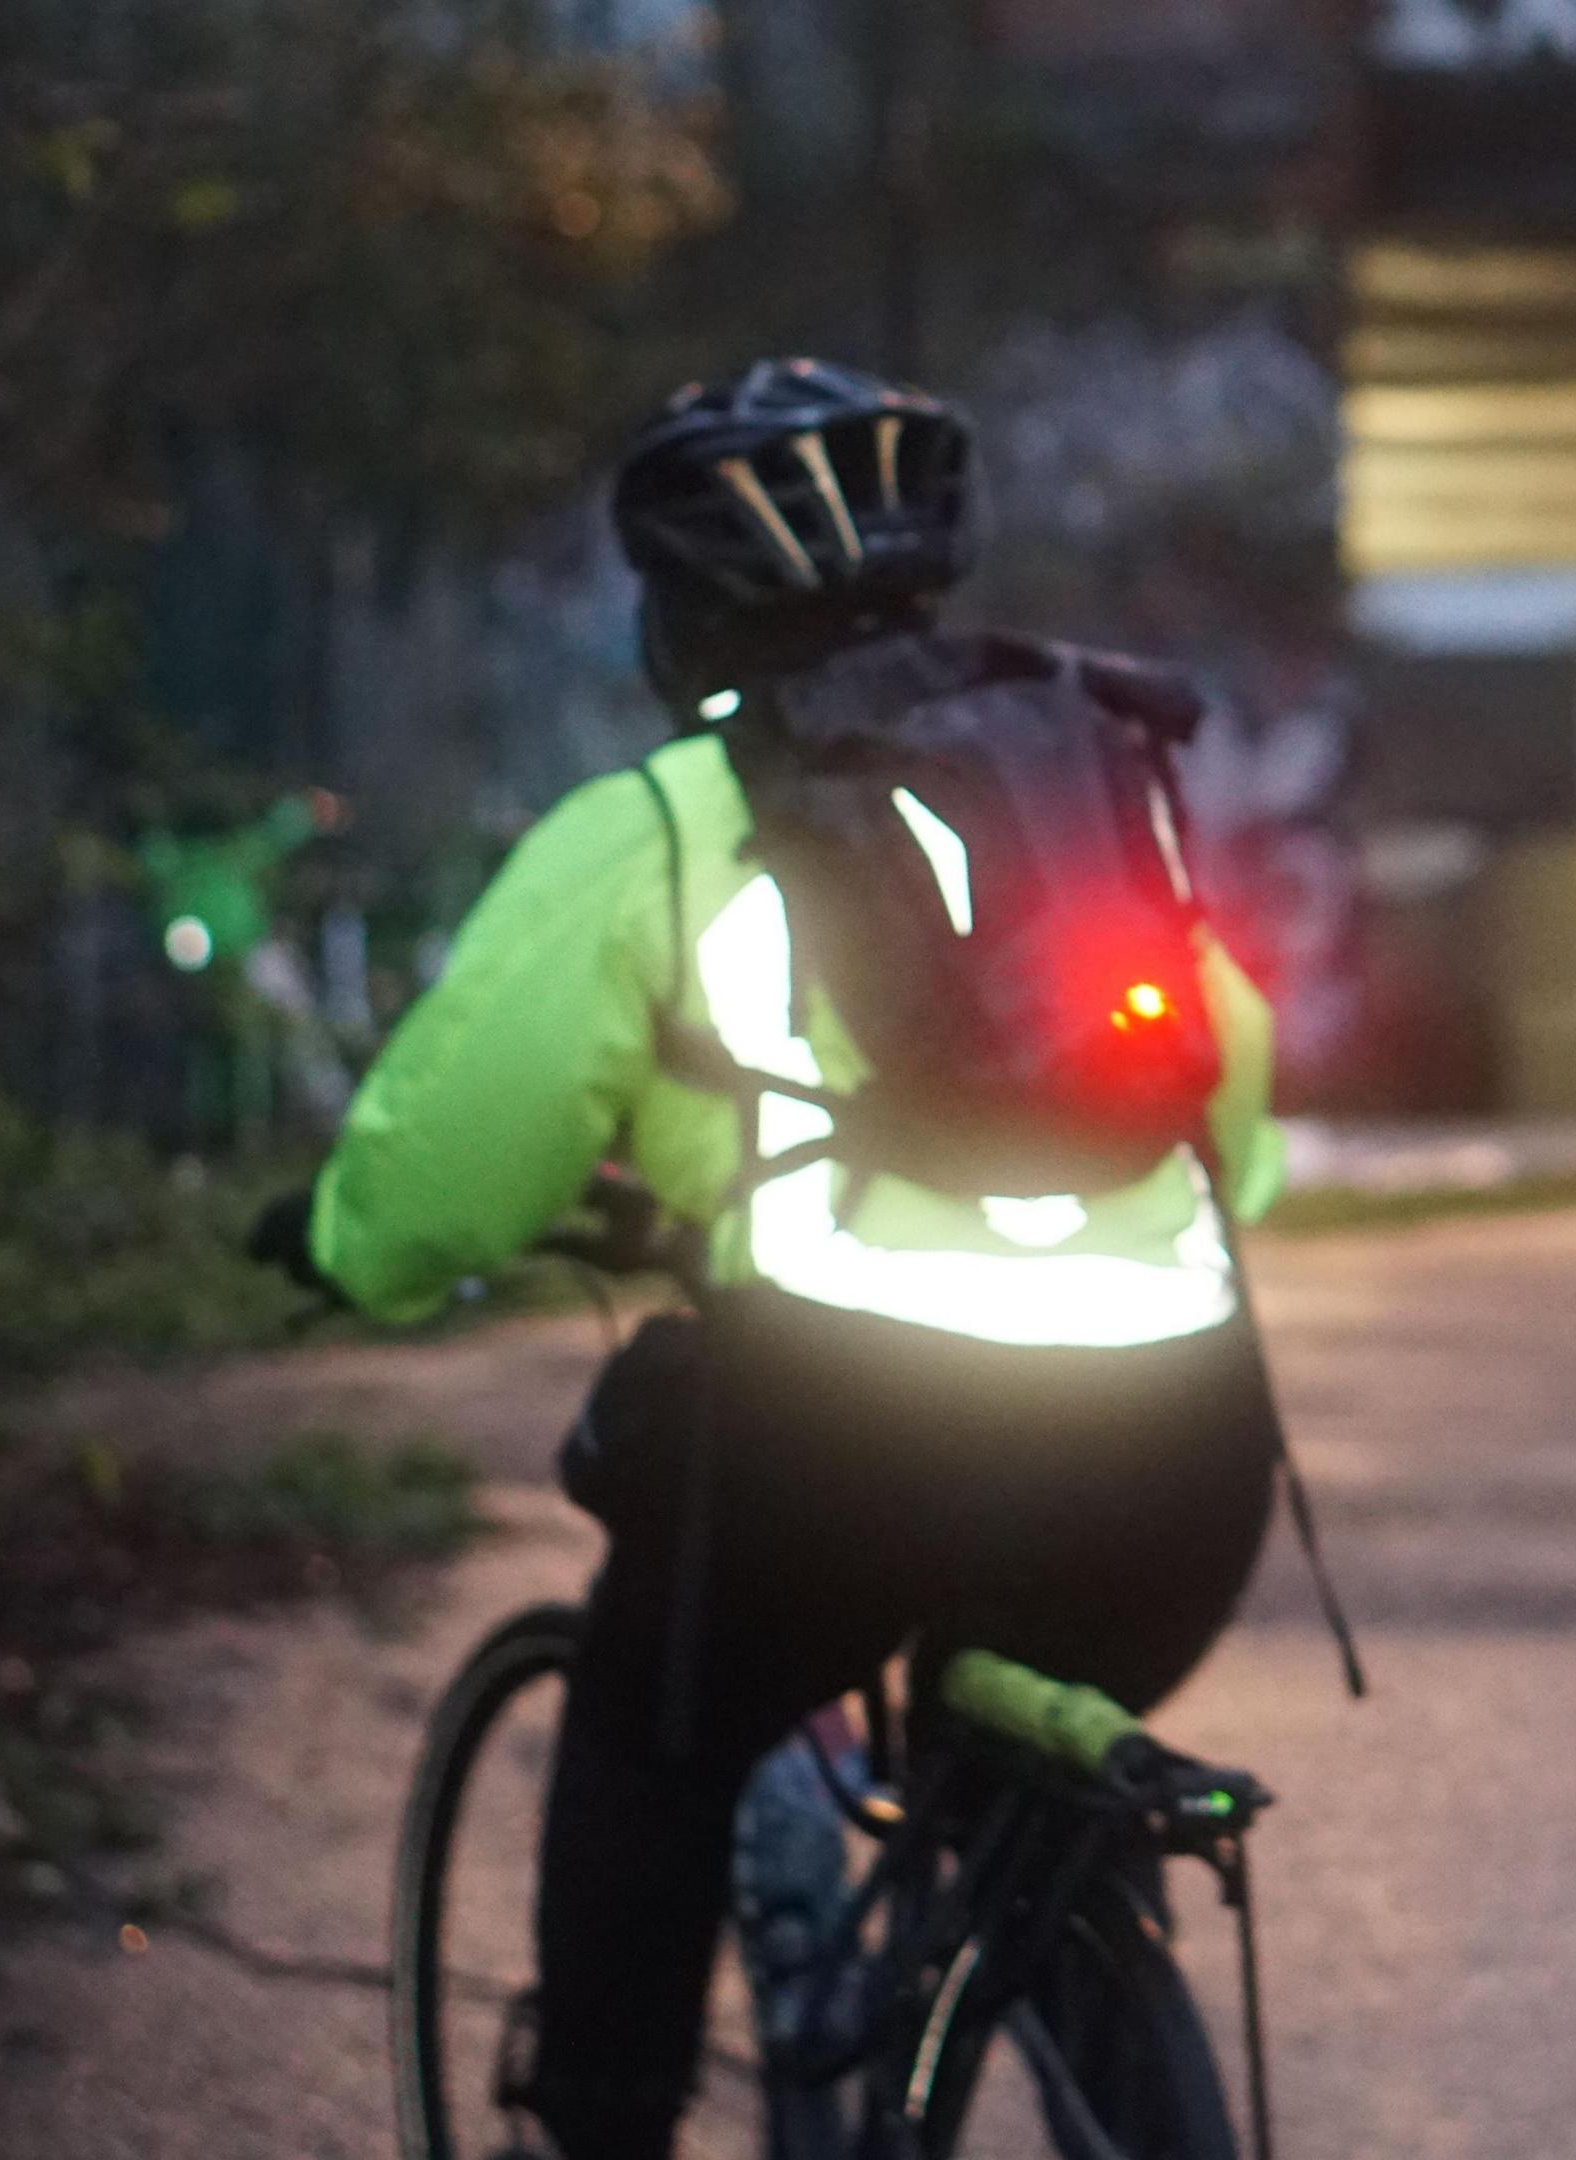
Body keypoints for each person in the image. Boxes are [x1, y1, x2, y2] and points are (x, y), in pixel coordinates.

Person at [249, 359, 1292, 2160]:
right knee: (1027, 1787)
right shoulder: (1085, 776)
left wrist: (354, 1256)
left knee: (654, 1734)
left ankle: (599, 2124)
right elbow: (1241, 1116)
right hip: (1182, 1459)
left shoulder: (660, 823)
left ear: (680, 607)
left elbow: (451, 1168)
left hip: (846, 1448)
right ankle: (1060, 1965)